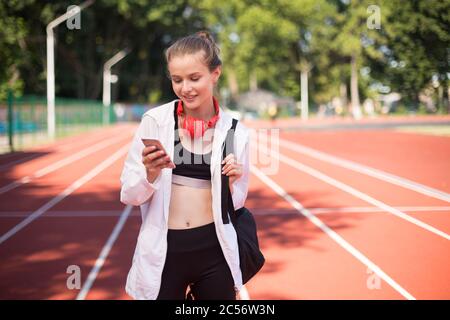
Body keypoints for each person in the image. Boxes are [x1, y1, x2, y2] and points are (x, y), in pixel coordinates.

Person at [120, 31, 250, 300]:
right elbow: (129, 195)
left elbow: (235, 205)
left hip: (215, 251)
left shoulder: (235, 131)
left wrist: (232, 183)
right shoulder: (155, 121)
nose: (185, 88)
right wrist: (150, 174)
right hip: (165, 251)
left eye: (194, 78)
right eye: (177, 80)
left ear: (215, 74)